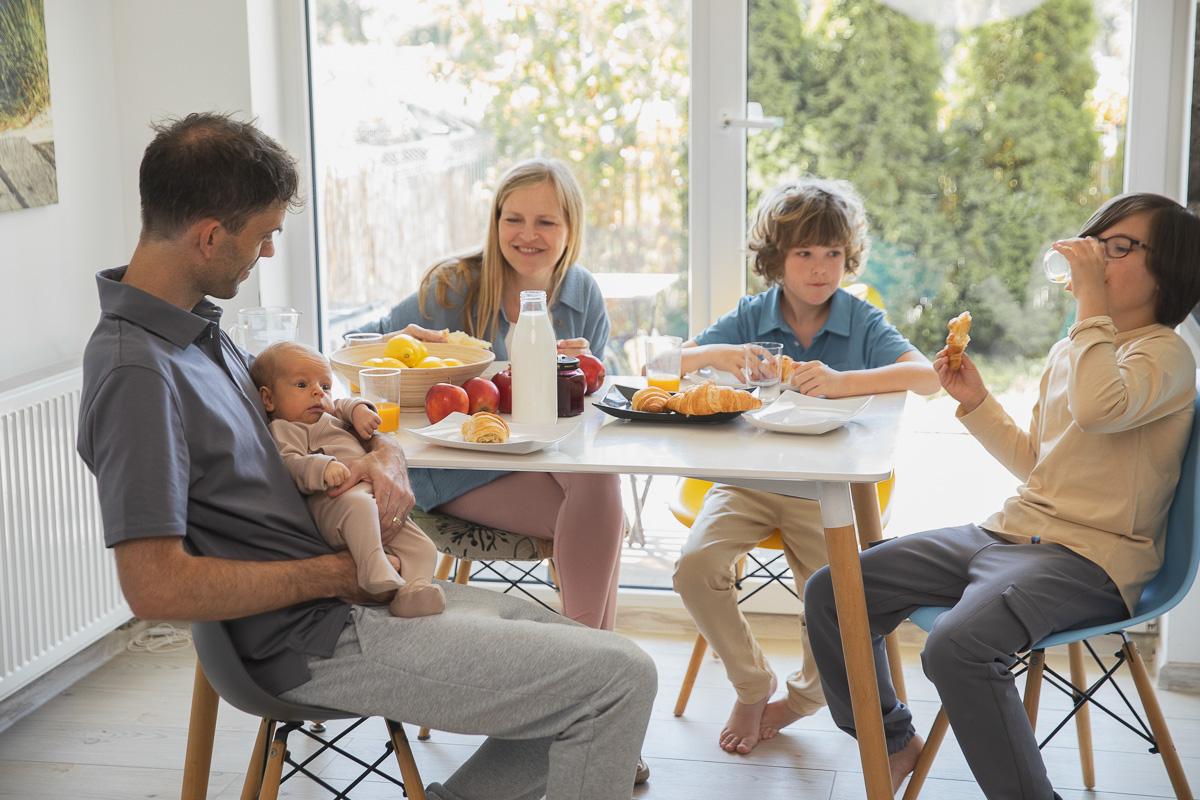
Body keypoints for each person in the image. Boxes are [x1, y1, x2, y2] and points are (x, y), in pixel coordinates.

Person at [76, 112, 656, 800]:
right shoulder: (136, 372)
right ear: (208, 236)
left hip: (352, 598)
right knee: (620, 680)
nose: (266, 254)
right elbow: (155, 587)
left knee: (608, 666)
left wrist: (379, 449)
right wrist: (331, 575)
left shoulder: (199, 333)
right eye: (263, 236)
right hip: (313, 637)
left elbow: (312, 424)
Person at [805, 192, 1200, 799]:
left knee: (957, 647)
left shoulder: (1165, 353)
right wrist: (976, 403)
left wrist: (1090, 309)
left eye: (1117, 249)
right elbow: (1040, 464)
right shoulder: (1073, 350)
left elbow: (1100, 411)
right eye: (1093, 245)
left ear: (1168, 269)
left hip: (1088, 561)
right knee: (834, 592)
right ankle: (891, 740)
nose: (1092, 259)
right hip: (1010, 534)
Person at [671, 176, 940, 755]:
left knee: (840, 599)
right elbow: (667, 366)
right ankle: (751, 684)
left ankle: (801, 699)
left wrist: (845, 383)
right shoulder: (751, 316)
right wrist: (719, 355)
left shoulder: (859, 320)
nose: (821, 269)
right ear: (776, 259)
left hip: (826, 491)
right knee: (694, 568)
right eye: (804, 254)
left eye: (833, 255)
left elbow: (929, 377)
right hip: (747, 482)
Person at [353, 160, 627, 633]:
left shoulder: (583, 294)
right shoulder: (453, 287)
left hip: (541, 458)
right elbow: (358, 350)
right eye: (513, 219)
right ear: (495, 221)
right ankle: (594, 653)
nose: (527, 235)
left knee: (598, 482)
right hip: (455, 464)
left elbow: (589, 419)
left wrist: (584, 373)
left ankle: (586, 654)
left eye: (546, 222)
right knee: (602, 515)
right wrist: (405, 337)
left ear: (570, 229)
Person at [251, 341, 445, 617]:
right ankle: (372, 570)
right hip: (333, 502)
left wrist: (360, 411)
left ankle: (414, 591)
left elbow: (346, 404)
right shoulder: (286, 428)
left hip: (372, 498)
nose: (318, 392)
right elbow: (290, 465)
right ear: (269, 399)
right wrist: (322, 467)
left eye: (325, 386)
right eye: (302, 385)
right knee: (360, 506)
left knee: (422, 546)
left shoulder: (328, 412)